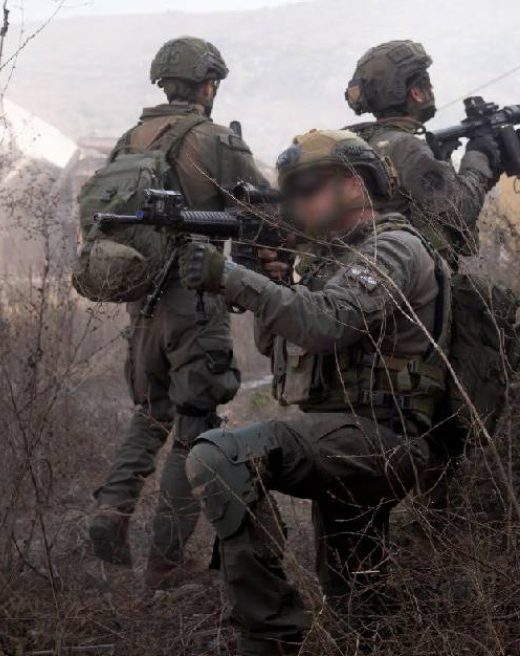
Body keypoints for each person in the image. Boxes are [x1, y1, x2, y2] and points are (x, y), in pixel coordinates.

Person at [179, 130, 446, 656]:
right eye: (291, 191)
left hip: (383, 438)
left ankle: (271, 638)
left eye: (309, 186)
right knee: (358, 605)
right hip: (344, 437)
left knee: (220, 455)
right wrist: (263, 273)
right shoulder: (332, 262)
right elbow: (278, 341)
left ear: (355, 184)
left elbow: (324, 324)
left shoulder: (393, 247)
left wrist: (232, 277)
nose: (298, 201)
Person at [86, 36, 266, 590]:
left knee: (151, 411)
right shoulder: (214, 140)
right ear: (208, 84)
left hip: (142, 301)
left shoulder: (128, 140)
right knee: (196, 424)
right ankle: (166, 562)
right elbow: (266, 209)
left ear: (165, 83)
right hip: (195, 297)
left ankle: (110, 511)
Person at [344, 39, 520, 263]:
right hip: (405, 283)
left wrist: (498, 158)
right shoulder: (404, 148)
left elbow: (444, 200)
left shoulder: (365, 143)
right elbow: (460, 210)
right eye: (427, 84)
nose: (432, 90)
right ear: (416, 93)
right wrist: (478, 155)